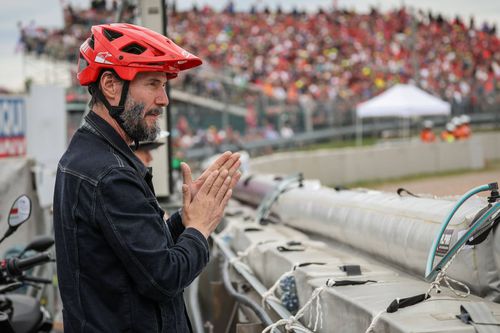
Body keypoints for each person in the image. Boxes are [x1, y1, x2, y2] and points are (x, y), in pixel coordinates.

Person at [53, 23, 241, 332]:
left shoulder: (92, 154)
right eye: (153, 84)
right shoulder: (110, 173)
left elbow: (136, 252)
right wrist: (201, 227)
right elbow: (163, 278)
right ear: (112, 86)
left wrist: (184, 220)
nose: (164, 99)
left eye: (164, 85)